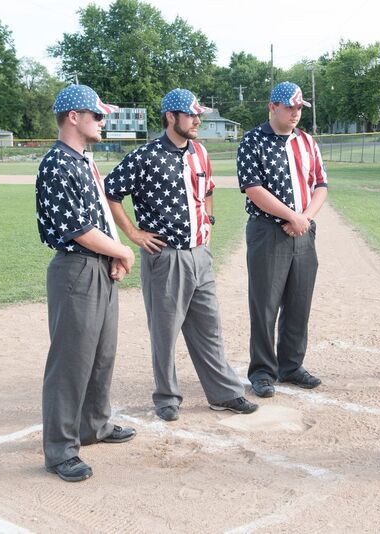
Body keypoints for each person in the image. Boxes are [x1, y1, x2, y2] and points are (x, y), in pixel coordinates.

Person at [105, 88, 257, 421]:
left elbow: (209, 191)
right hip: (166, 257)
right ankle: (167, 396)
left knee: (209, 327)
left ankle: (224, 393)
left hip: (200, 254)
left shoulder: (200, 153)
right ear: (170, 117)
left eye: (198, 115)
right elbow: (110, 191)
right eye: (190, 115)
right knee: (165, 331)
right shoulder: (145, 156)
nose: (197, 120)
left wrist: (210, 224)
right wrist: (132, 233)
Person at [36, 84, 137, 482]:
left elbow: (98, 220)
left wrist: (113, 252)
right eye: (96, 115)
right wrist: (125, 251)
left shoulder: (82, 160)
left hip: (97, 264)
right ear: (73, 117)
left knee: (101, 354)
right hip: (76, 268)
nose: (102, 120)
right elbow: (76, 228)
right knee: (71, 363)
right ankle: (60, 450)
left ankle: (94, 425)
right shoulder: (58, 162)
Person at [236, 81, 328, 398]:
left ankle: (291, 365)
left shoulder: (307, 142)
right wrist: (292, 216)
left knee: (299, 301)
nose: (296, 113)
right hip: (267, 231)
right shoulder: (253, 141)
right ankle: (262, 371)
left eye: (300, 108)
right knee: (265, 304)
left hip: (303, 230)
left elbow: (321, 185)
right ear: (272, 107)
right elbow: (253, 188)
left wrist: (305, 218)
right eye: (290, 107)